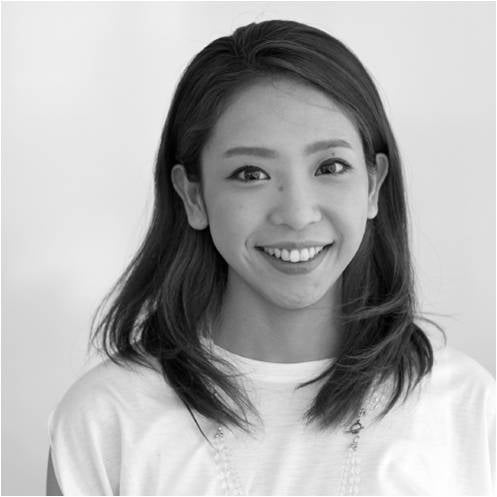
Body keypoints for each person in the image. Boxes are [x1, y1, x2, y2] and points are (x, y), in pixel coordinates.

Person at [46, 19, 495, 496]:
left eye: (330, 167)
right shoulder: (105, 420)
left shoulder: (466, 407)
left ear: (373, 185)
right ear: (193, 196)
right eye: (251, 173)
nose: (297, 214)